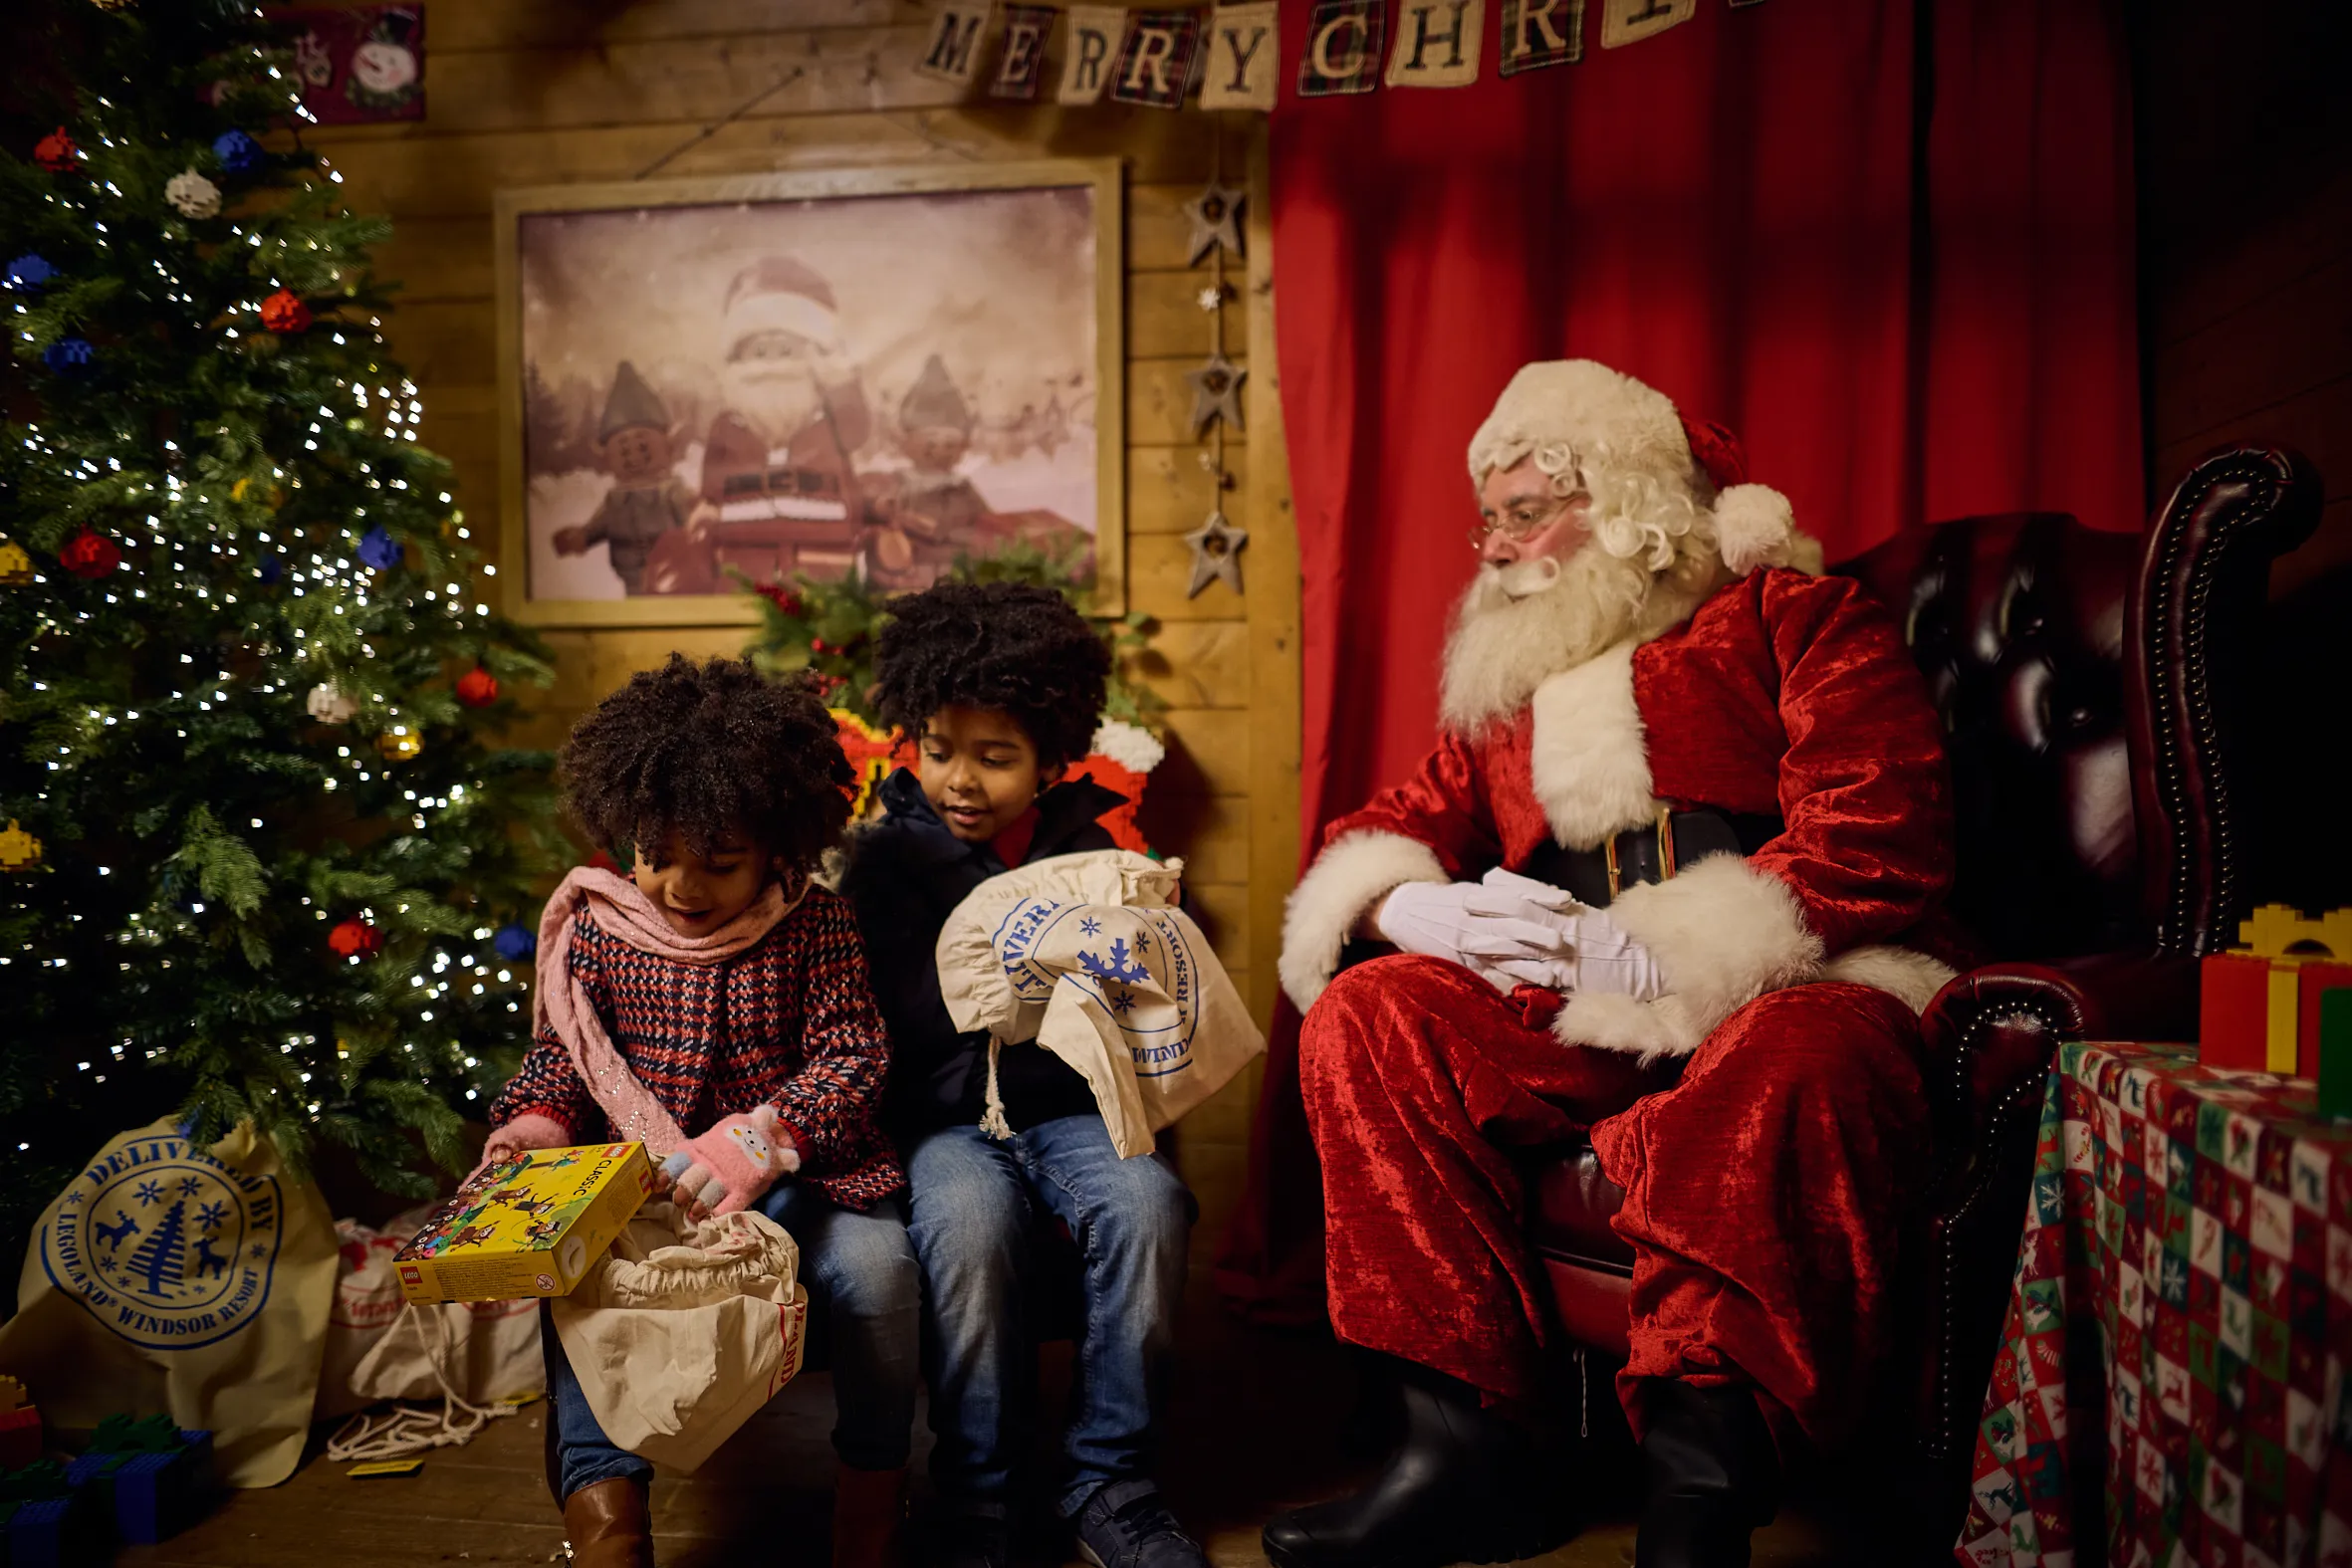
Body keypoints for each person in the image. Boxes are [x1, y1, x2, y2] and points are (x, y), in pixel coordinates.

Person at [1259, 360, 1965, 1568]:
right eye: (1488, 517)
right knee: (1368, 1015)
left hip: (1788, 973)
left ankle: (1699, 1495)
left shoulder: (1791, 617)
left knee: (1796, 1053)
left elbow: (1876, 825)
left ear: (1631, 497)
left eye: (1527, 510)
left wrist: (1679, 949)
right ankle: (1464, 1455)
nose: (1494, 546)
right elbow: (1393, 825)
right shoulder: (1511, 688)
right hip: (1572, 993)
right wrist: (1407, 910)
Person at [482, 655, 917, 1568]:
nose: (681, 887)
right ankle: (609, 1527)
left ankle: (870, 1512)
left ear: (777, 851)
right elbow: (566, 1055)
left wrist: (767, 1133)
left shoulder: (815, 923)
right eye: (656, 856)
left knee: (879, 1276)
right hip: (645, 1184)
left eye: (718, 864)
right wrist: (535, 1126)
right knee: (576, 1282)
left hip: (806, 1176)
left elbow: (855, 1058)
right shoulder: (600, 927)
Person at [837, 582, 1207, 1568]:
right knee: (968, 1222)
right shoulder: (880, 865)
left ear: (1049, 763)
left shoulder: (1090, 851)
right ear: (911, 741)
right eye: (941, 750)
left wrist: (1144, 942)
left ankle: (1110, 1479)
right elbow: (882, 1027)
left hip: (1069, 1108)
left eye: (995, 759)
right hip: (941, 1123)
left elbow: (1139, 1006)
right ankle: (976, 1495)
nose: (961, 780)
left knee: (1149, 1205)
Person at [551, 360, 701, 596]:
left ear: (668, 445)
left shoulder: (672, 493)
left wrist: (699, 512)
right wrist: (581, 537)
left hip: (676, 581)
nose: (633, 457)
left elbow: (695, 521)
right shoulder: (614, 501)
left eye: (642, 446)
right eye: (623, 450)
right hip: (632, 583)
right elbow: (598, 527)